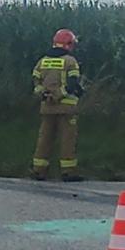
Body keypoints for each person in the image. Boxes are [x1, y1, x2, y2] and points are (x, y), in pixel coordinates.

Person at [30, 29, 85, 182]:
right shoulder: (70, 61)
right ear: (68, 44)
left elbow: (35, 83)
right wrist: (60, 94)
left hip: (47, 107)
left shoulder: (42, 62)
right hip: (66, 108)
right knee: (68, 139)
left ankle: (39, 170)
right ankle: (68, 172)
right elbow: (73, 83)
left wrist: (45, 95)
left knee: (44, 139)